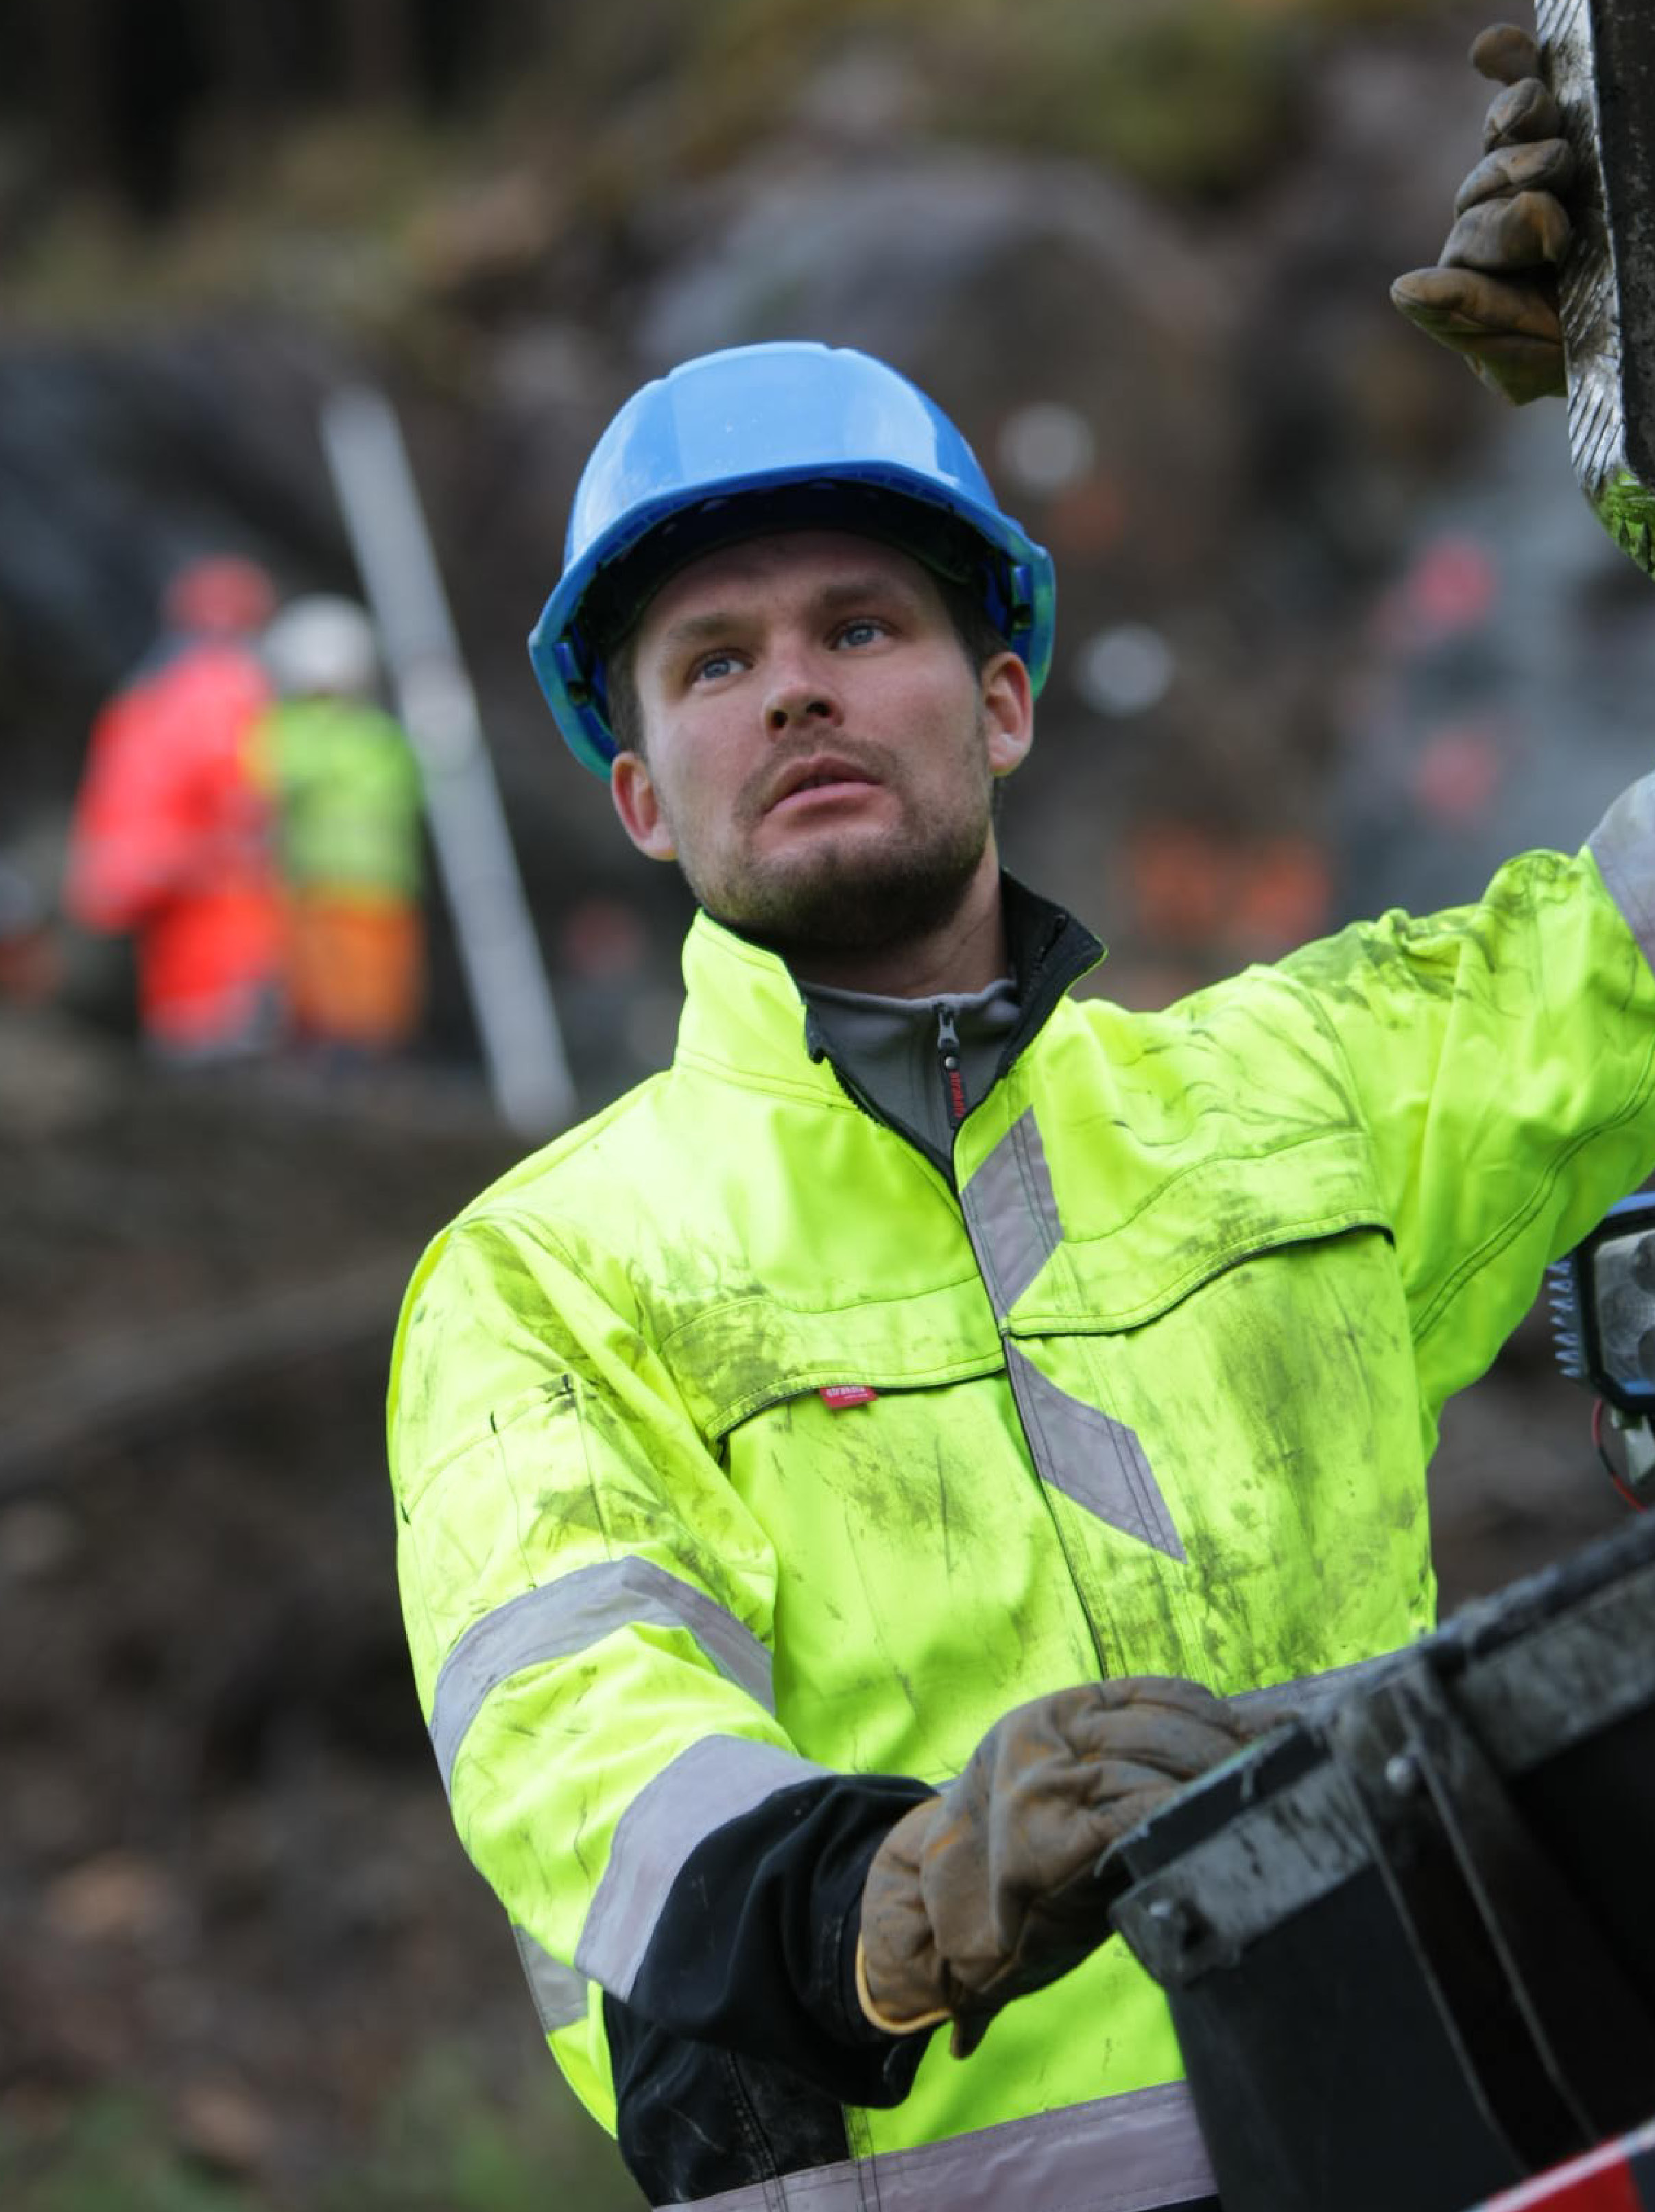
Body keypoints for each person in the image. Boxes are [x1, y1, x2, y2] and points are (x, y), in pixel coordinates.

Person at [387, 32, 1642, 2210]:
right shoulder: (550, 1279)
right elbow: (596, 1780)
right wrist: (898, 1892)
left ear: (1000, 701)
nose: (791, 685)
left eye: (861, 625)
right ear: (637, 795)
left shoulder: (1303, 1092)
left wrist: (1639, 424)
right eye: (711, 660)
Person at [63, 553, 285, 1059]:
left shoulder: (150, 687)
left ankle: (193, 1045)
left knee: (180, 984)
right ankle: (212, 1047)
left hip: (158, 862)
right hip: (200, 866)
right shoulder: (221, 684)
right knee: (214, 983)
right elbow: (232, 782)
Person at [254, 595, 426, 1059]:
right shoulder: (380, 736)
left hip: (340, 890)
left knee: (352, 1009)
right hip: (350, 890)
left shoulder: (289, 732)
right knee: (351, 1009)